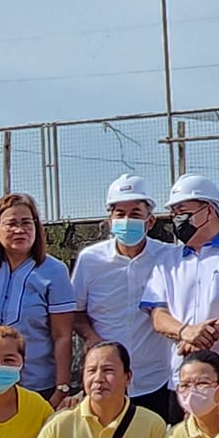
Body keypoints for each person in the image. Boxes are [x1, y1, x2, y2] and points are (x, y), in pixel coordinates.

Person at [143, 173, 219, 409]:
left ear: (209, 211)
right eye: (174, 212)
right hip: (183, 380)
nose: (177, 219)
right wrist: (186, 331)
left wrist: (203, 336)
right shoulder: (167, 259)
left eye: (183, 211)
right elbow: (158, 315)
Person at [72, 175, 175, 419]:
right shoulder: (90, 259)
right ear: (110, 220)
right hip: (105, 382)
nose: (127, 220)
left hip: (156, 378)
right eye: (120, 214)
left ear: (150, 221)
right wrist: (92, 339)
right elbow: (76, 312)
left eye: (135, 214)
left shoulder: (170, 257)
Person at [0, 193, 77, 405]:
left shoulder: (54, 271)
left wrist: (61, 388)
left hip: (36, 387)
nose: (20, 230)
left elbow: (62, 335)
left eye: (27, 223)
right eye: (11, 224)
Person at [26, 339, 168, 438]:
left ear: (128, 376)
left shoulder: (152, 426)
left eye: (108, 370)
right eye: (91, 371)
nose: (98, 378)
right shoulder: (59, 424)